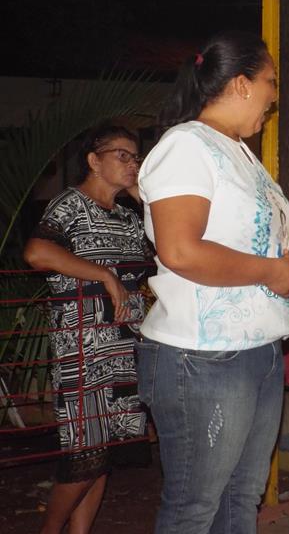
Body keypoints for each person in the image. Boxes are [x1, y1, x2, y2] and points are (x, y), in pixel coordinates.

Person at [135, 31, 289, 534]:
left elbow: (246, 247)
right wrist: (270, 270)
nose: (276, 95)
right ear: (240, 84)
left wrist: (288, 269)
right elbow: (181, 250)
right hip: (203, 357)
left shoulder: (240, 152)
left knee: (241, 499)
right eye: (270, 83)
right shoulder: (186, 145)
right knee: (196, 507)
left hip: (257, 349)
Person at [24, 124, 150, 534]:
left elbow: (167, 253)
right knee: (84, 454)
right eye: (122, 156)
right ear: (94, 161)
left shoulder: (129, 217)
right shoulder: (70, 206)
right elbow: (37, 252)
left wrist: (144, 201)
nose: (132, 164)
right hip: (84, 346)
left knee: (104, 454)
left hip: (124, 346)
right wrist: (105, 276)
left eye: (136, 157)